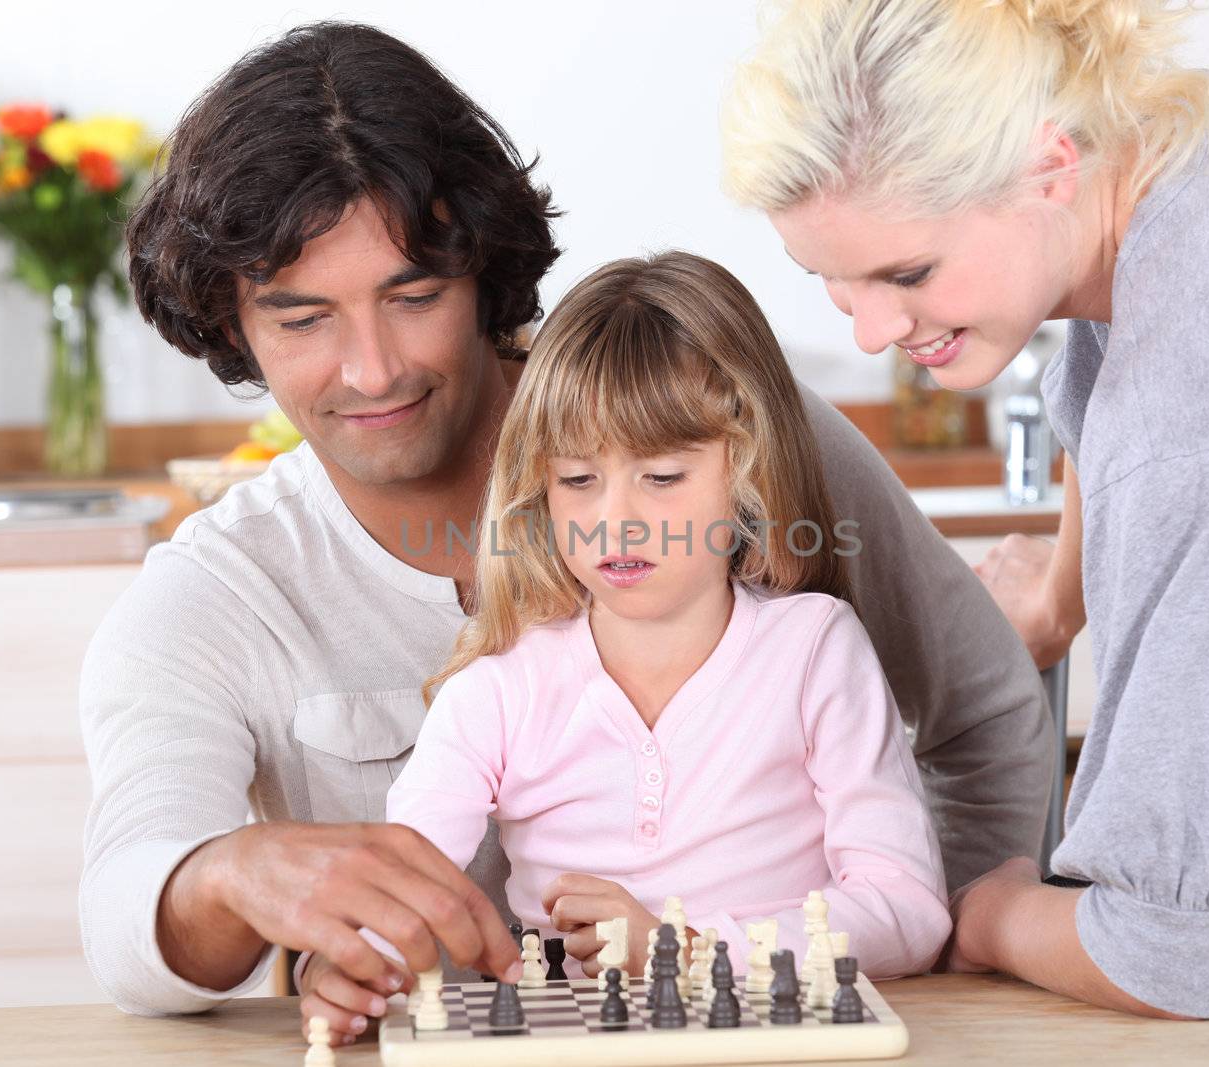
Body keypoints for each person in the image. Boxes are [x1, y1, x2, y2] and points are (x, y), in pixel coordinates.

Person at [83, 19, 1054, 1041]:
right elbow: (125, 915)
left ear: (481, 276)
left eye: (413, 295)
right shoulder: (215, 593)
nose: (371, 368)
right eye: (301, 318)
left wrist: (928, 984)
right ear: (231, 326)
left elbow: (983, 713)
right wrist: (226, 873)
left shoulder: (723, 422)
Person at [719, 0, 1209, 1021]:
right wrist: (1057, 599)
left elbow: (1161, 956)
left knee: (1153, 895)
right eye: (831, 281)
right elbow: (1119, 356)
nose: (874, 329)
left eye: (907, 272)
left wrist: (992, 910)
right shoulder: (1190, 139)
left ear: (1047, 166)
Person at [294, 252, 950, 1028]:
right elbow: (401, 880)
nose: (617, 520)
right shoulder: (500, 686)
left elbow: (908, 910)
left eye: (663, 477)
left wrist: (684, 949)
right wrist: (346, 964)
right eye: (577, 480)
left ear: (745, 467)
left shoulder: (815, 651)